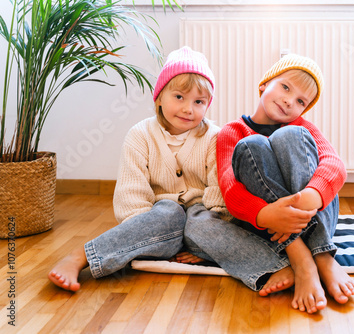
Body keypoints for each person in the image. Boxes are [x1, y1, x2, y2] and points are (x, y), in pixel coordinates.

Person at [48, 46, 228, 291]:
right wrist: (140, 230)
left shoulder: (215, 137)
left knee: (202, 222)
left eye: (199, 102)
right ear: (160, 97)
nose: (188, 108)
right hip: (158, 223)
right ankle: (82, 257)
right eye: (179, 97)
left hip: (200, 226)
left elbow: (219, 190)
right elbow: (131, 193)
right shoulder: (140, 135)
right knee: (168, 212)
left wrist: (208, 245)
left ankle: (190, 246)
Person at [215, 54, 354, 313]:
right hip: (271, 223)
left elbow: (334, 165)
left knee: (291, 135)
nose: (288, 100)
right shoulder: (231, 132)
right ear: (264, 84)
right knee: (251, 146)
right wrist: (265, 213)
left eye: (300, 101)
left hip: (313, 210)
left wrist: (311, 196)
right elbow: (229, 188)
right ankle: (301, 257)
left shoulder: (302, 127)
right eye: (285, 87)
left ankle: (322, 255)